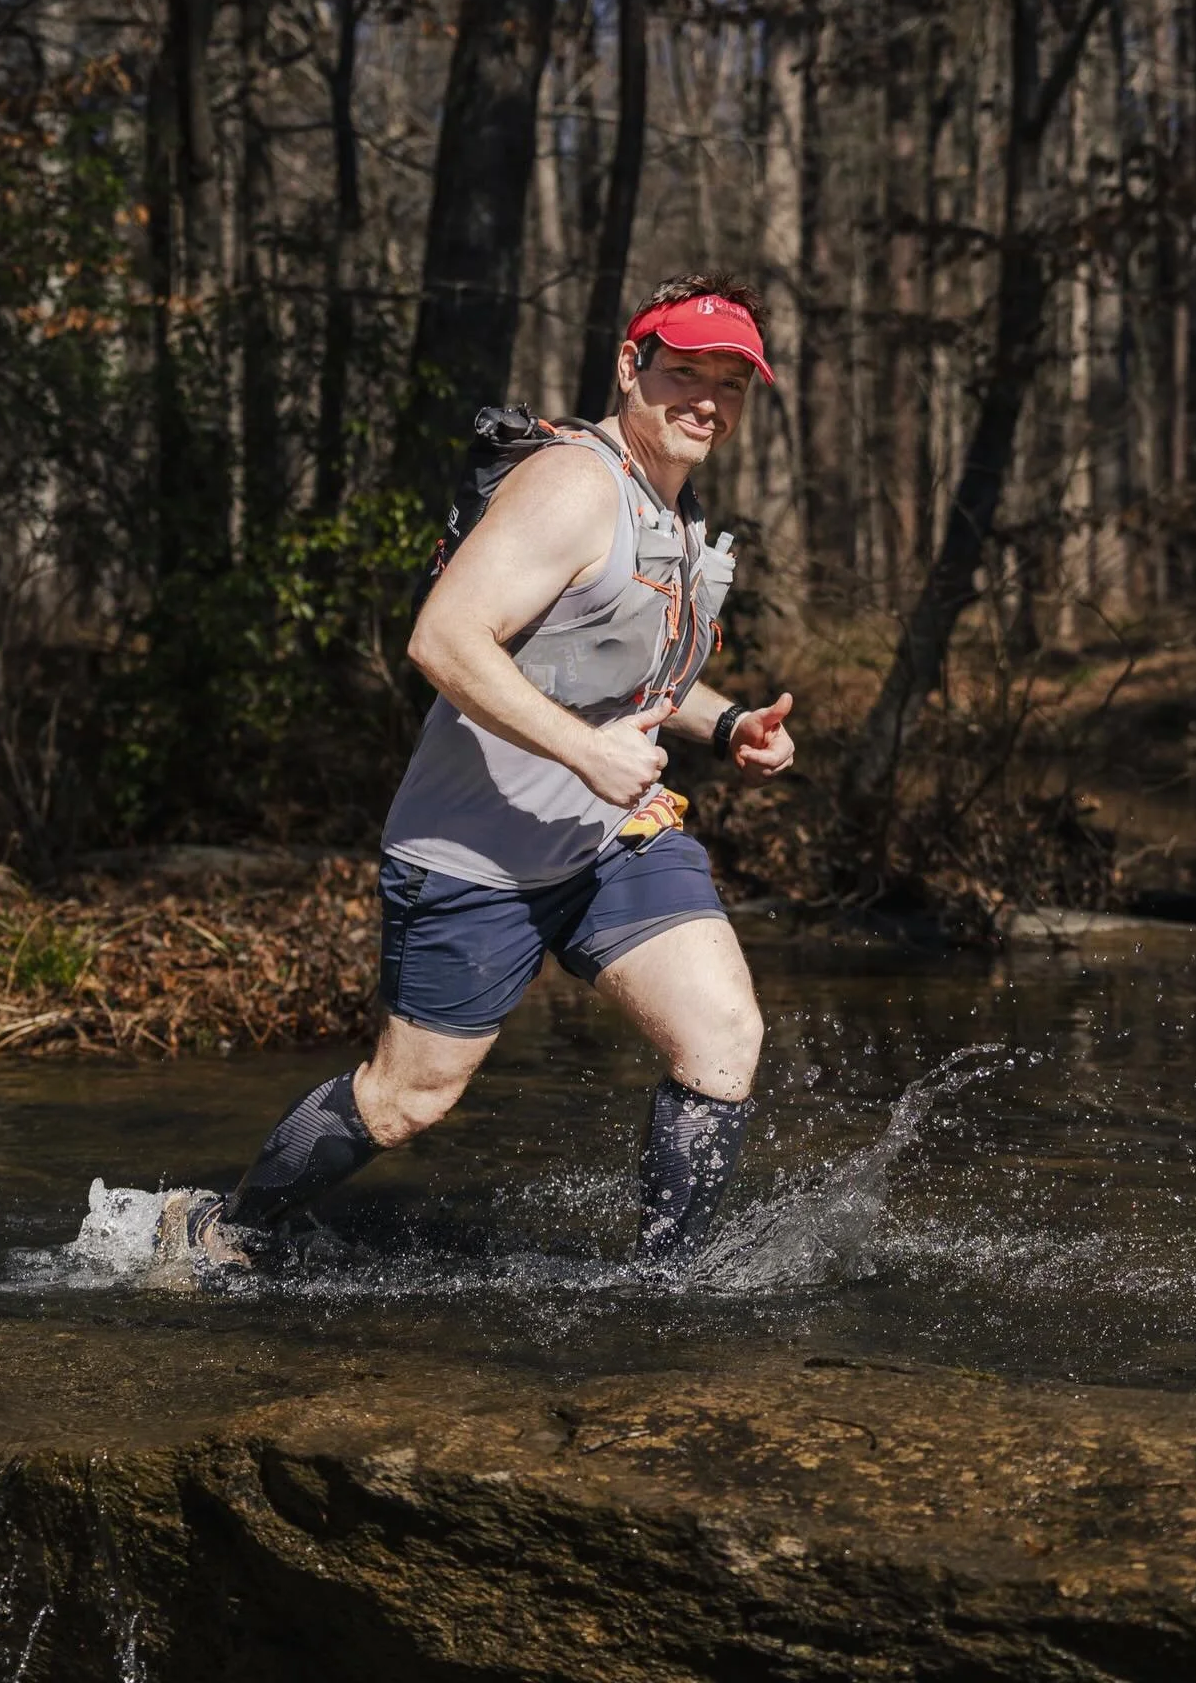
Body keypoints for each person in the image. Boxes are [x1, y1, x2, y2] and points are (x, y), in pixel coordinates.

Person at [153, 273, 796, 1279]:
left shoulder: (673, 511)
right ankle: (221, 1230)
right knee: (408, 1100)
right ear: (631, 367)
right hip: (474, 853)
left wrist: (729, 722)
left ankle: (666, 1292)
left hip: (609, 841)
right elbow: (444, 637)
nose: (707, 399)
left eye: (730, 382)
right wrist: (588, 754)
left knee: (721, 1042)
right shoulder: (575, 485)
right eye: (683, 374)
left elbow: (625, 674)